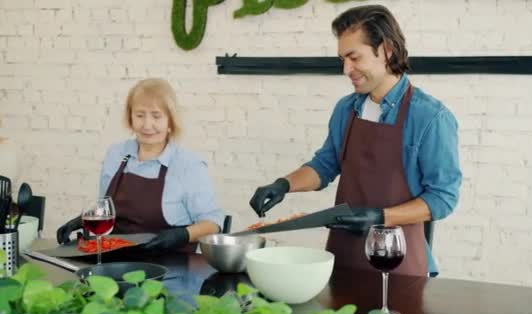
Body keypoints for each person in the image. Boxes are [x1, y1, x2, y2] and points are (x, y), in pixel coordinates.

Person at [249, 5, 461, 276]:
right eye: (342, 59)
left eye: (354, 57)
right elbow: (325, 165)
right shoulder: (346, 109)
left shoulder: (431, 117)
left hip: (399, 263)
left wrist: (380, 219)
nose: (346, 69)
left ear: (386, 50)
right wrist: (283, 184)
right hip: (344, 257)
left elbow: (443, 198)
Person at [57, 78, 224, 252]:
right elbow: (105, 208)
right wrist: (84, 219)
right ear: (130, 118)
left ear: (170, 121)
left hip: (173, 268)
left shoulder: (188, 165)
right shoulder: (116, 154)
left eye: (156, 116)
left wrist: (182, 235)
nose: (147, 125)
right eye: (140, 115)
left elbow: (213, 223)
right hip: (117, 261)